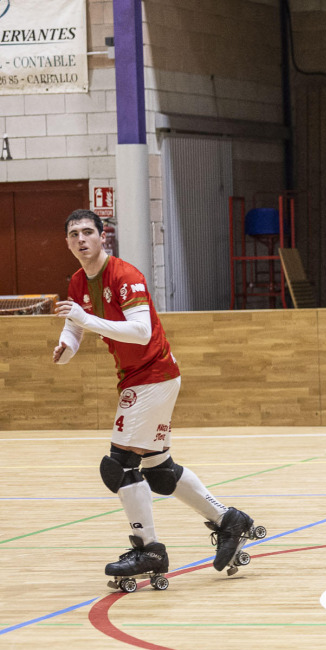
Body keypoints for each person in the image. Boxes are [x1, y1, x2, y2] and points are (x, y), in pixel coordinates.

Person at [54, 209, 262, 590]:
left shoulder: (125, 275)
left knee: (119, 465)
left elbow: (139, 331)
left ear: (103, 237)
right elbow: (75, 324)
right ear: (67, 242)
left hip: (152, 375)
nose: (81, 239)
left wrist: (84, 320)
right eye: (73, 234)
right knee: (159, 471)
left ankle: (148, 549)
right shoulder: (78, 281)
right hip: (142, 378)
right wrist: (66, 346)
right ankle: (228, 519)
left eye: (88, 232)